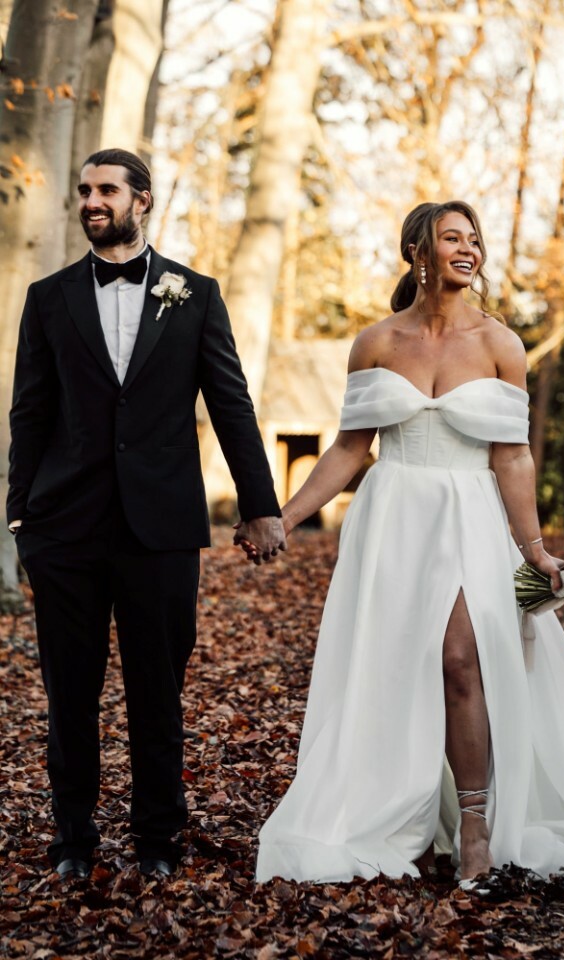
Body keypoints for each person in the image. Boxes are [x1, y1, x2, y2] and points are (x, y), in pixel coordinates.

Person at [256, 201, 564, 889]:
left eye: (474, 239)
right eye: (452, 238)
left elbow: (514, 456)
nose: (468, 249)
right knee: (394, 667)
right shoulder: (374, 343)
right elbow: (350, 449)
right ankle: (399, 806)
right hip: (392, 520)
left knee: (459, 658)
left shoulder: (502, 344)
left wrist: (533, 549)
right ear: (419, 249)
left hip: (471, 517)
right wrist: (285, 519)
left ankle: (475, 824)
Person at [7, 148, 285, 880]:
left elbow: (231, 404)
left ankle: (158, 840)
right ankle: (73, 841)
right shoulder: (48, 297)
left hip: (160, 531)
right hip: (63, 528)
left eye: (106, 189)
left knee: (157, 693)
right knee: (70, 694)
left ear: (143, 200)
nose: (91, 201)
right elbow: (29, 411)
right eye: (84, 190)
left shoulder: (195, 294)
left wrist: (260, 506)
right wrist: (19, 517)